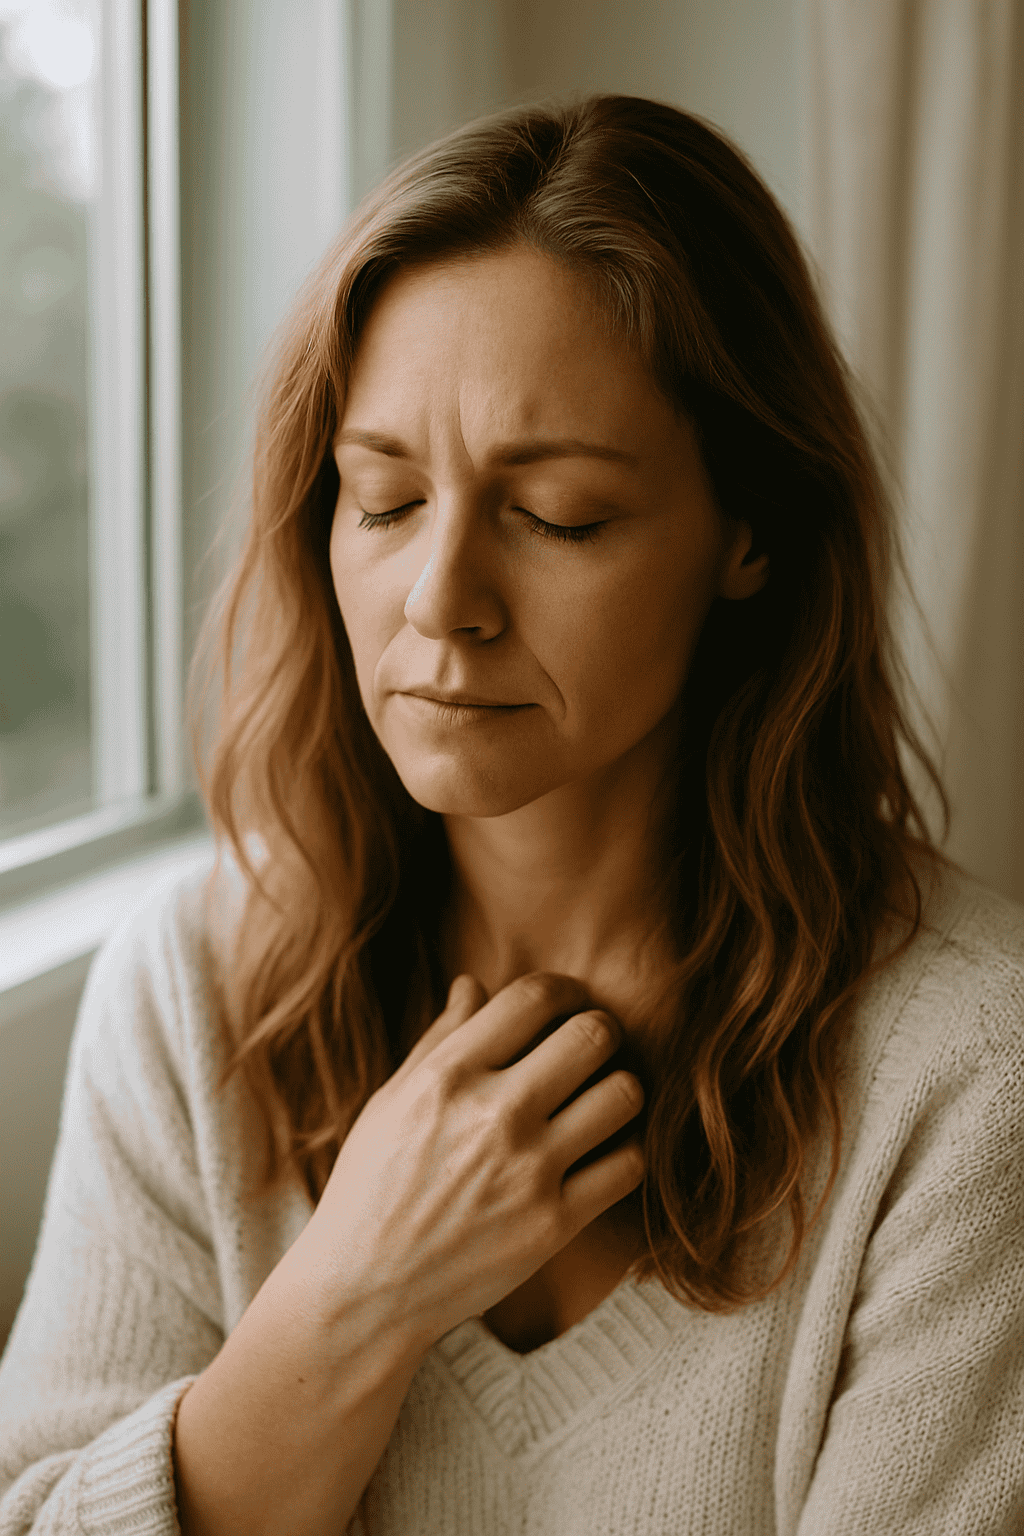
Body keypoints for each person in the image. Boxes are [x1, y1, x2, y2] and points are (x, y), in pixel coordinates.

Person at [1, 93, 1022, 1536]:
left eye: (559, 517)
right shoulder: (190, 993)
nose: (440, 604)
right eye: (384, 499)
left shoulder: (973, 1078)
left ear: (750, 533)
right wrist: (356, 1293)